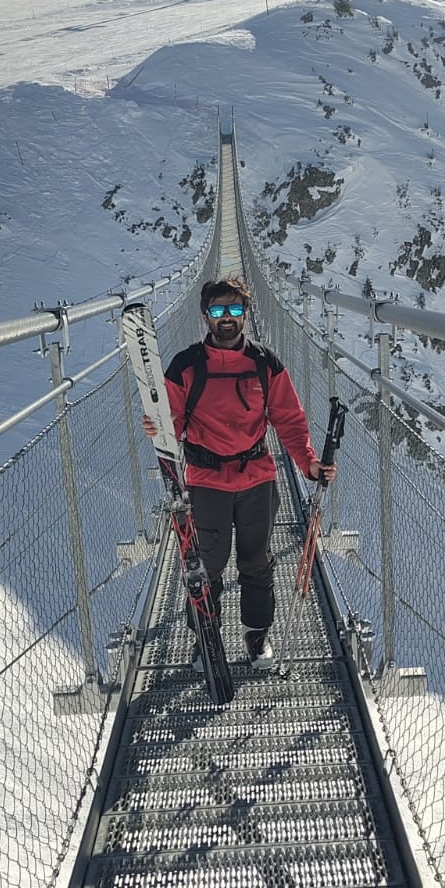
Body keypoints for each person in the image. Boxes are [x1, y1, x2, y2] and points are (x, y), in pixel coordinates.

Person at [146, 276, 335, 668]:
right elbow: (174, 423)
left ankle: (256, 638)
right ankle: (205, 640)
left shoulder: (265, 364)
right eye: (218, 310)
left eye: (235, 309)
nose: (227, 318)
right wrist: (160, 427)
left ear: (246, 314)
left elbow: (289, 421)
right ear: (205, 316)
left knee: (256, 562)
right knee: (206, 567)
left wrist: (309, 463)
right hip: (206, 480)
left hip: (257, 477)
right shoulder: (185, 366)